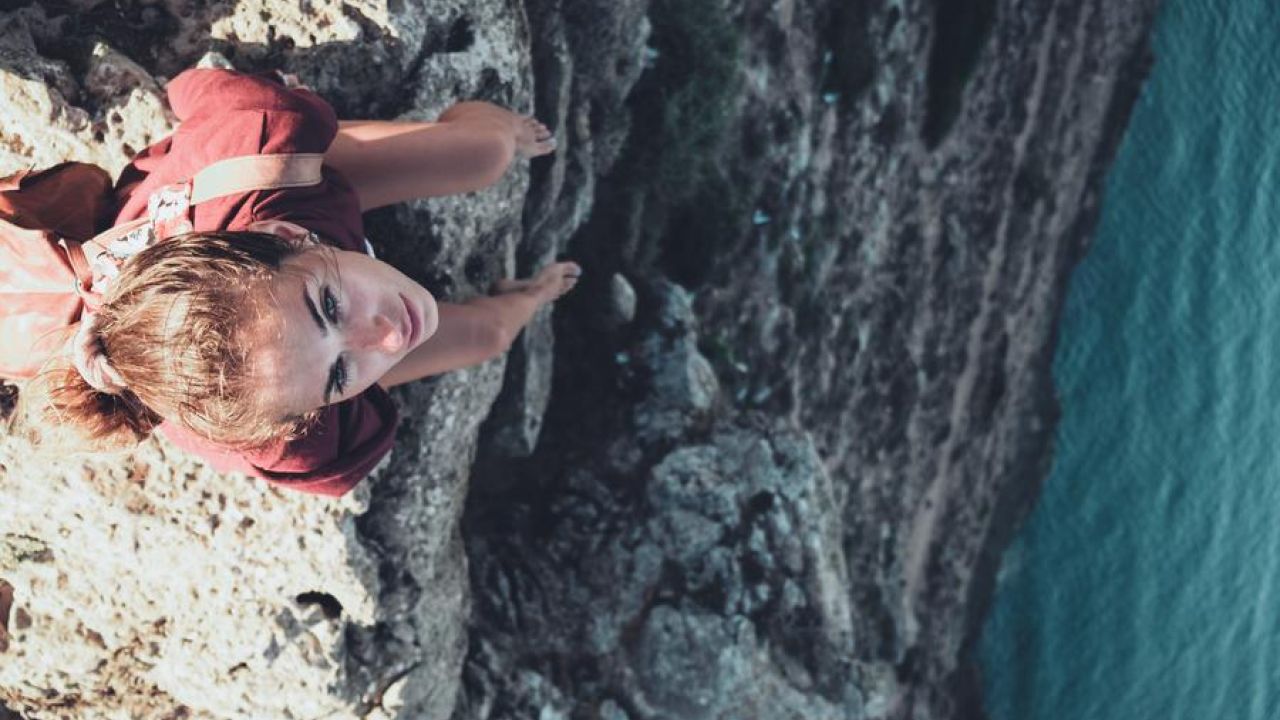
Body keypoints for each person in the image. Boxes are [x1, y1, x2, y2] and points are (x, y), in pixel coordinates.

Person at [12, 66, 580, 496]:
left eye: (329, 307)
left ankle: (499, 124)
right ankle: (529, 295)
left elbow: (191, 88)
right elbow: (327, 457)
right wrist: (328, 335)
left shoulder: (261, 149)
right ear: (305, 415)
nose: (386, 336)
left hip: (295, 199)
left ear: (285, 235)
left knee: (485, 152)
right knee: (488, 337)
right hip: (287, 313)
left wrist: (265, 95)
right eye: (339, 374)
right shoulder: (291, 438)